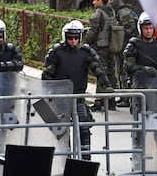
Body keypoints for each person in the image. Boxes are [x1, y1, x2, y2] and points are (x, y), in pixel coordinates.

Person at [42, 20, 113, 160]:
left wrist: (107, 85)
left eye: (76, 37)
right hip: (60, 99)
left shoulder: (86, 52)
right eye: (70, 38)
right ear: (64, 37)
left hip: (79, 97)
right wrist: (48, 95)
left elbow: (98, 69)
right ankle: (64, 158)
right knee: (60, 131)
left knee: (84, 128)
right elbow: (46, 76)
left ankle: (85, 159)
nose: (73, 41)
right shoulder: (56, 52)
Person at [123, 12, 157, 170]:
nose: (148, 31)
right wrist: (143, 69)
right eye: (145, 28)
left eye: (151, 28)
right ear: (140, 29)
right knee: (139, 125)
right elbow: (127, 65)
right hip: (141, 91)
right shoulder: (134, 44)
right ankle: (137, 157)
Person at [86, 0, 117, 111]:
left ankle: (99, 101)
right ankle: (111, 100)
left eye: (95, 0)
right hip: (112, 46)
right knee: (111, 72)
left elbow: (92, 32)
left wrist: (87, 41)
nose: (93, 2)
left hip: (101, 47)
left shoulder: (98, 13)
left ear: (100, 1)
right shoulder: (111, 11)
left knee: (100, 72)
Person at [108, 0, 138, 107]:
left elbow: (130, 29)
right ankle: (123, 96)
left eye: (111, 0)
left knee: (124, 72)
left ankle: (126, 98)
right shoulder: (118, 12)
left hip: (124, 47)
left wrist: (119, 34)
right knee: (120, 71)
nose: (110, 2)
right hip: (120, 47)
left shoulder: (123, 13)